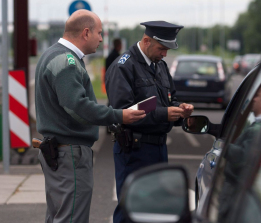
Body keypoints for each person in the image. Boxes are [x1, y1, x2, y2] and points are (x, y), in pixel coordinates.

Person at [34, 9, 146, 223]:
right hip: (70, 155)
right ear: (86, 33)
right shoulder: (66, 61)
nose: (102, 39)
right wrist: (119, 115)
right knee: (71, 217)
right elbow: (78, 108)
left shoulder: (52, 54)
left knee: (58, 215)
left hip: (59, 151)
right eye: (99, 33)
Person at [105, 21, 194, 223]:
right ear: (146, 41)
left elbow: (171, 98)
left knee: (156, 209)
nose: (165, 54)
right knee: (131, 208)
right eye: (162, 48)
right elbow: (125, 111)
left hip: (158, 147)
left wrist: (181, 110)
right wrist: (164, 113)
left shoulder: (160, 66)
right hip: (135, 150)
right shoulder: (123, 67)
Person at [218, 86, 261, 222]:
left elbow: (241, 157)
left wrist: (222, 146)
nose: (254, 99)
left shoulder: (257, 129)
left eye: (258, 96)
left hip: (233, 189)